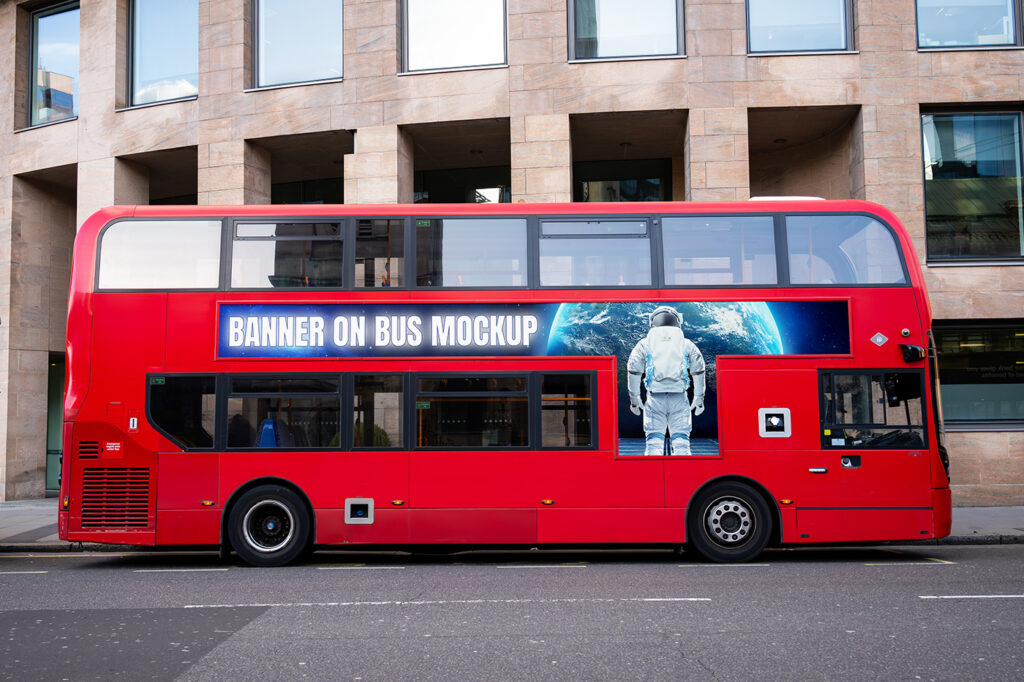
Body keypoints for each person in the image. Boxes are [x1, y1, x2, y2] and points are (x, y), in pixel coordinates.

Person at [626, 305, 706, 456]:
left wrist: (635, 399)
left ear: (652, 322)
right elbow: (698, 369)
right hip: (679, 397)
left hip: (655, 397)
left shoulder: (644, 343)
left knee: (653, 444)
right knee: (681, 443)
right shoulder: (686, 343)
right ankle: (683, 476)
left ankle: (653, 476)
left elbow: (634, 370)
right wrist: (698, 398)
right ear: (677, 322)